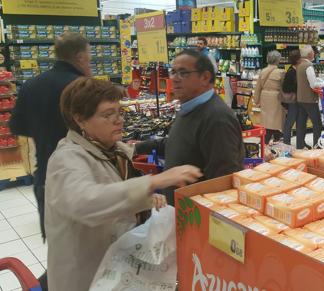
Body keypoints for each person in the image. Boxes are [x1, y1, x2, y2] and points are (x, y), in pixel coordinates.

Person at [45, 77, 202, 291]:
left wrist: (145, 201)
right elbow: (85, 203)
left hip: (118, 270)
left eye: (119, 112)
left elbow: (116, 192)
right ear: (79, 119)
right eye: (108, 115)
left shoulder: (112, 150)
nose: (118, 120)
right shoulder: (67, 159)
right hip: (86, 278)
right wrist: (155, 180)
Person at [9, 32, 91, 289]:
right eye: (89, 57)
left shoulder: (31, 85)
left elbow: (17, 126)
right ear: (79, 57)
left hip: (45, 177)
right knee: (87, 252)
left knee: (60, 249)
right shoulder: (82, 87)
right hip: (82, 179)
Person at [136, 50, 244, 205]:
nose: (175, 79)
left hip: (194, 217)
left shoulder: (217, 118)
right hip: (178, 212)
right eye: (173, 72)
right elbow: (181, 144)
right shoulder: (188, 107)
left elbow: (224, 181)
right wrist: (138, 147)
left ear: (205, 77)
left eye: (183, 73)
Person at [296, 45, 324, 150]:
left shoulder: (299, 65)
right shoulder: (309, 66)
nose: (314, 54)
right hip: (310, 99)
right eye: (313, 52)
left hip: (300, 98)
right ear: (310, 54)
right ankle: (317, 144)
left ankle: (300, 144)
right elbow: (313, 84)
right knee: (317, 123)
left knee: (301, 122)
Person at [254, 51, 286, 143]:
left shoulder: (263, 71)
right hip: (276, 98)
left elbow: (258, 87)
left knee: (267, 119)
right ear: (278, 60)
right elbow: (284, 88)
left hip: (264, 97)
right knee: (276, 120)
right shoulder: (281, 72)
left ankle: (267, 138)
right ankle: (276, 137)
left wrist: (256, 100)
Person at [282, 49, 300, 145]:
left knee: (299, 121)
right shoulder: (291, 72)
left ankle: (300, 142)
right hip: (292, 101)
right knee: (290, 122)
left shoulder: (297, 70)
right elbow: (286, 88)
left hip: (298, 100)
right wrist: (298, 86)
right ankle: (286, 142)